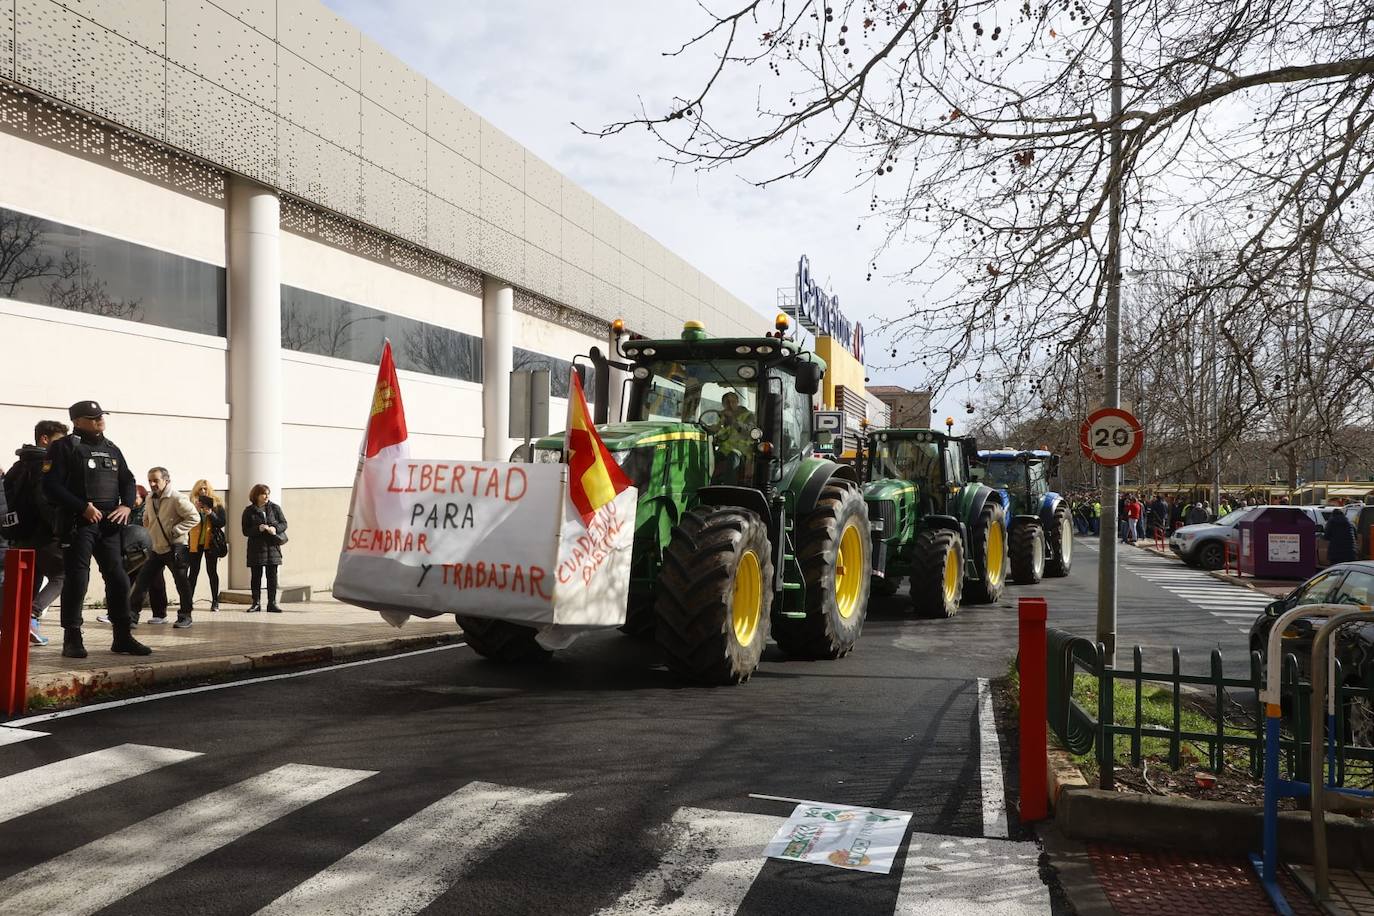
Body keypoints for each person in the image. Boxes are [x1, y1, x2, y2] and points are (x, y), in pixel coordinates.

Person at [43, 400, 150, 658]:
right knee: (78, 580)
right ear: (77, 421)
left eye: (101, 416)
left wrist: (126, 505)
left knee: (118, 579)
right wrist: (82, 507)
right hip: (79, 524)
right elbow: (51, 486)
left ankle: (122, 636)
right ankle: (72, 638)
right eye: (93, 417)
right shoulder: (63, 447)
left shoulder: (111, 448)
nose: (99, 420)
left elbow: (127, 479)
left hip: (109, 526)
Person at [4, 419, 69, 646]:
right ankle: (32, 615)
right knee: (64, 574)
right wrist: (58, 526)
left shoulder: (19, 464)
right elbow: (44, 501)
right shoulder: (44, 463)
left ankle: (22, 628)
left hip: (19, 533)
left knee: (32, 580)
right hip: (43, 534)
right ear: (44, 439)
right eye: (58, 441)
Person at [130, 468, 199, 628]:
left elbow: (194, 517)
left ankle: (185, 616)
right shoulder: (148, 498)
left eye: (156, 480)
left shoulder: (177, 498)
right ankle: (132, 616)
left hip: (175, 548)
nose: (152, 484)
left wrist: (176, 530)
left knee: (182, 583)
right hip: (155, 548)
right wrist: (147, 534)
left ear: (166, 480)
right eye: (150, 481)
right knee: (141, 583)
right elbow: (148, 519)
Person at [242, 484, 287, 613]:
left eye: (268, 493)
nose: (266, 496)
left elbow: (284, 523)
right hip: (256, 548)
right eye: (263, 493)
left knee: (272, 576)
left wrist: (275, 528)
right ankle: (256, 603)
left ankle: (272, 603)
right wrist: (258, 529)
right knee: (256, 576)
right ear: (256, 495)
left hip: (272, 547)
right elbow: (245, 531)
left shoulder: (275, 508)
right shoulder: (249, 511)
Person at [186, 479, 227, 612]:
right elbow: (184, 521)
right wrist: (195, 511)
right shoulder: (190, 504)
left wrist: (211, 513)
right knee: (193, 572)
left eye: (205, 489)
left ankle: (215, 601)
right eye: (200, 489)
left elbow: (221, 523)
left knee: (212, 572)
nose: (203, 491)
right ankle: (188, 601)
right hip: (194, 543)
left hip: (211, 543)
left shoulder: (217, 504)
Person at [712, 391, 756, 484]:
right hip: (724, 452)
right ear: (723, 404)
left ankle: (730, 487)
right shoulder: (723, 418)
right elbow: (722, 435)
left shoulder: (748, 416)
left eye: (732, 401)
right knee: (710, 457)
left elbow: (749, 432)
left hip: (743, 454)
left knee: (733, 456)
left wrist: (733, 421)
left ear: (737, 402)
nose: (730, 405)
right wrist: (716, 437)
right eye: (726, 402)